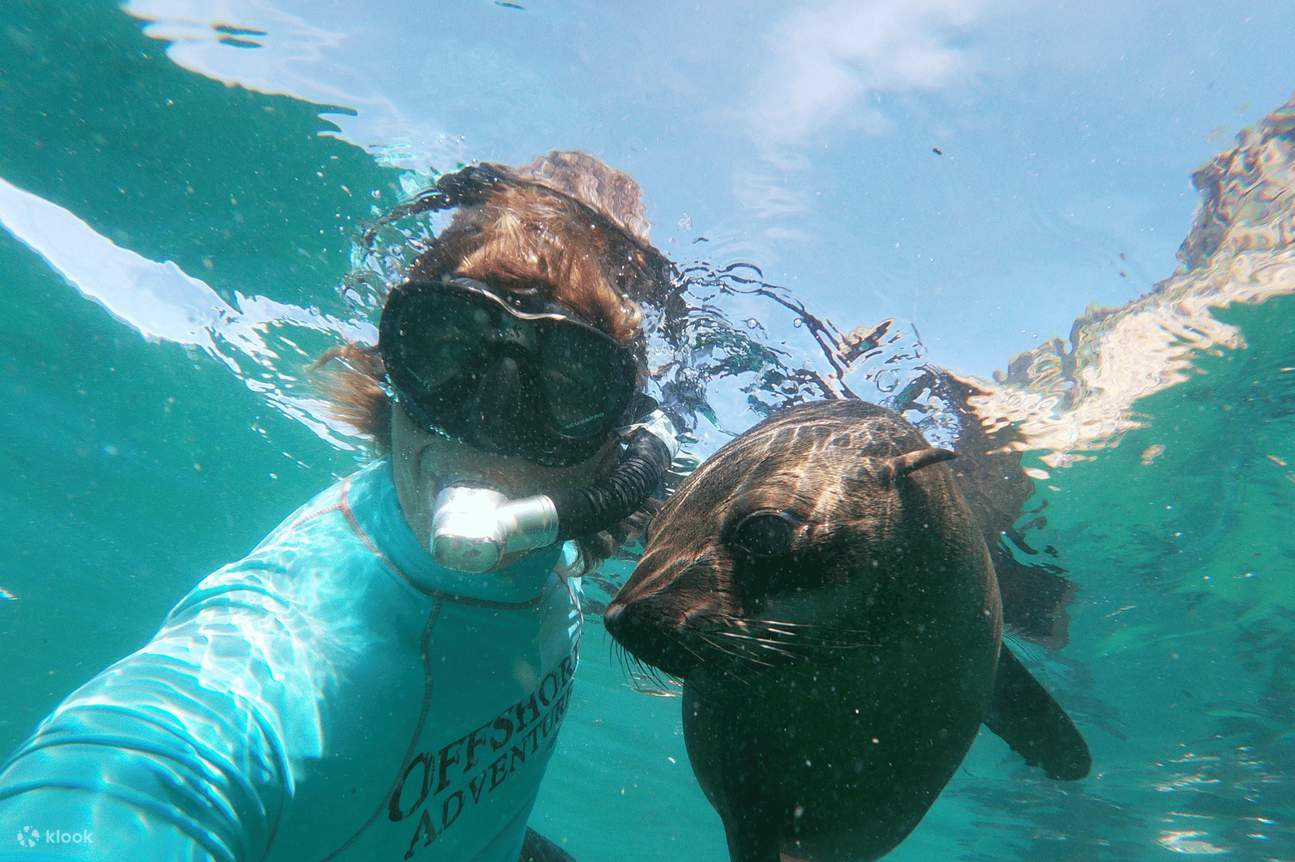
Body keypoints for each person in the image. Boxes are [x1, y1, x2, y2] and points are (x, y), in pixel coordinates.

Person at [0, 152, 677, 862]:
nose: (490, 420)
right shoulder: (269, 661)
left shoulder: (556, 547)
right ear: (388, 367)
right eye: (446, 346)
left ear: (623, 445)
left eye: (571, 380)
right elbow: (133, 779)